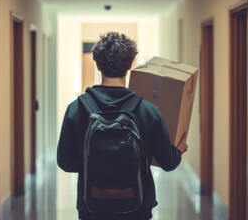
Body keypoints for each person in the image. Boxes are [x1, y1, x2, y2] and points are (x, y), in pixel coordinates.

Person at [57, 31, 188, 220]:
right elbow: (168, 163)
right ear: (130, 64)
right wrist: (179, 150)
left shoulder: (76, 109)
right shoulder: (149, 111)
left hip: (91, 206)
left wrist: (96, 163)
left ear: (97, 63)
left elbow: (65, 162)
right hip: (137, 207)